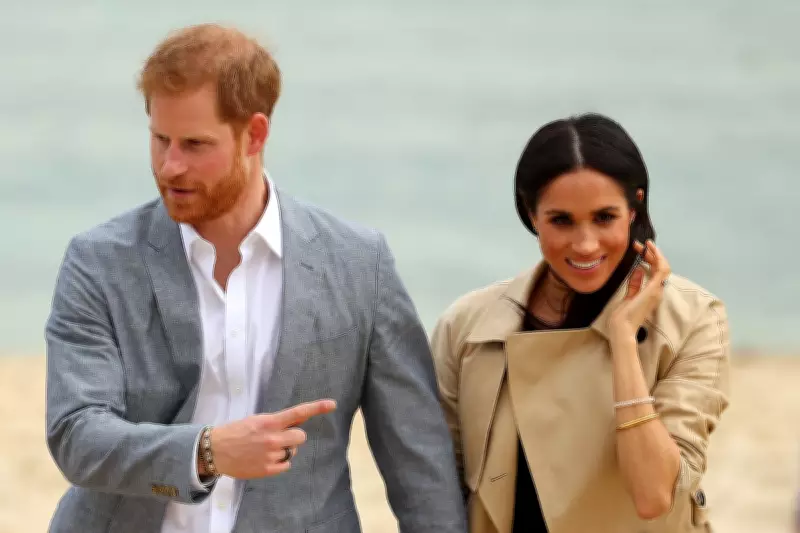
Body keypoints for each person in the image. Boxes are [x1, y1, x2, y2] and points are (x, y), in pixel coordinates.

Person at [44, 23, 467, 533]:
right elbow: (77, 435)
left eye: (195, 144)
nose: (170, 166)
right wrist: (206, 452)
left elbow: (418, 461)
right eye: (160, 139)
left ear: (256, 134)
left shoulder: (360, 264)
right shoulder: (99, 261)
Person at [430, 112, 731, 533]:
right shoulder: (467, 326)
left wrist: (622, 338)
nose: (585, 244)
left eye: (604, 217)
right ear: (532, 215)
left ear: (634, 208)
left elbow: (653, 495)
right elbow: (437, 488)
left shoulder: (695, 320)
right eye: (561, 220)